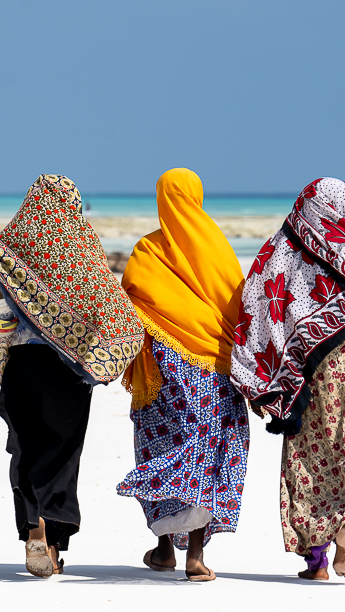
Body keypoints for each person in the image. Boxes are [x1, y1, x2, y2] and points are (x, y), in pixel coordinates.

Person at [0, 175, 144, 578]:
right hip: (67, 370)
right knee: (61, 451)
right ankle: (52, 543)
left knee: (24, 445)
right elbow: (112, 307)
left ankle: (31, 528)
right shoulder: (80, 251)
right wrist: (101, 355)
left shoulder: (10, 247)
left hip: (21, 365)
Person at [231, 178, 345, 580]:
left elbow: (258, 306)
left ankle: (318, 561)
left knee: (305, 460)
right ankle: (344, 536)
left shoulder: (279, 248)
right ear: (333, 207)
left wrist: (263, 375)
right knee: (344, 446)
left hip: (301, 377)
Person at [116, 168, 250, 582]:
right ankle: (194, 555)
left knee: (160, 449)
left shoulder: (147, 251)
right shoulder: (217, 248)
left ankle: (162, 549)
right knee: (207, 455)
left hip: (164, 377)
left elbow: (130, 303)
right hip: (214, 374)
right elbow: (237, 306)